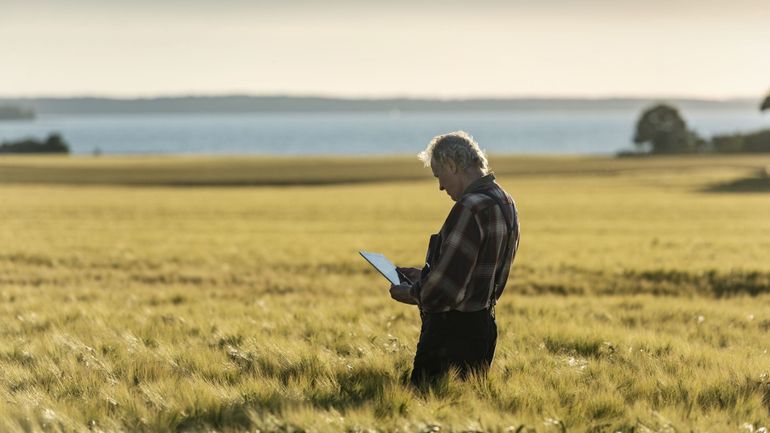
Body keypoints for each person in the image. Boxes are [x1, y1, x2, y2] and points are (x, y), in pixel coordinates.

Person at [389, 131, 520, 387]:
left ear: (452, 164)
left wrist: (412, 292)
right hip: (483, 328)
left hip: (450, 334)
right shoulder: (505, 201)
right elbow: (469, 272)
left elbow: (444, 292)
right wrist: (424, 275)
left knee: (426, 403)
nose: (440, 187)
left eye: (439, 176)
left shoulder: (470, 207)